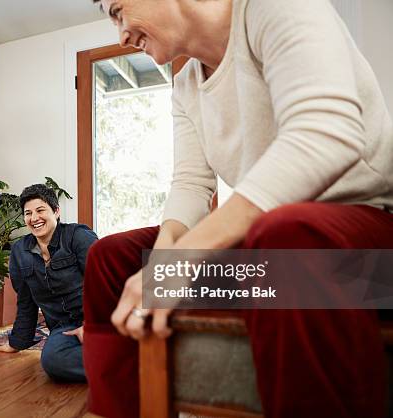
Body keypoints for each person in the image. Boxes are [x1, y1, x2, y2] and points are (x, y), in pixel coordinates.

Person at [84, 0, 393, 417]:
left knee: (287, 237)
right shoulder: (186, 85)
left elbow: (326, 132)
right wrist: (166, 255)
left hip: (369, 259)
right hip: (264, 263)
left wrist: (186, 258)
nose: (119, 33)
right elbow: (191, 183)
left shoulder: (274, 8)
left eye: (118, 10)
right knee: (112, 257)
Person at [0, 184, 98, 383]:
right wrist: (17, 342)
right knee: (52, 360)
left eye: (40, 210)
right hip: (64, 327)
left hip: (99, 319)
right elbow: (26, 302)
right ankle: (122, 366)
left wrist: (92, 325)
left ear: (56, 211)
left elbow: (104, 283)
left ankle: (126, 362)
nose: (34, 218)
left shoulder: (78, 236)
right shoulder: (19, 251)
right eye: (28, 213)